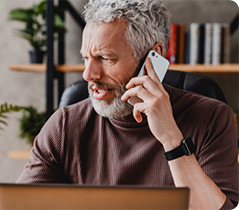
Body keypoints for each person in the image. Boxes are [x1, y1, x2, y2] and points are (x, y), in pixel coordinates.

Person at [14, 0, 239, 209]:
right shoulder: (65, 125)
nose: (88, 74)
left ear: (152, 57)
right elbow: (16, 205)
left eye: (105, 58)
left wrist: (171, 138)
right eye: (86, 58)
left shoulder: (211, 118)